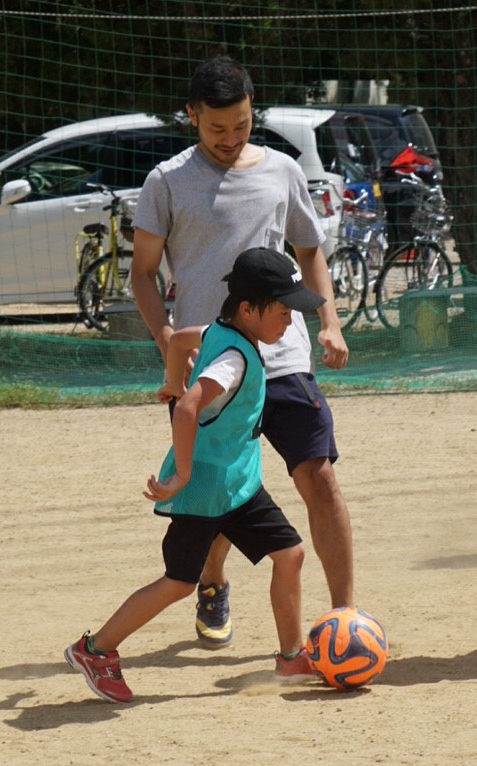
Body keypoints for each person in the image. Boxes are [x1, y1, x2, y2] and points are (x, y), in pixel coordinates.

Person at [131, 55, 353, 651]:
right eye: (216, 128)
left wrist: (329, 321)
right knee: (220, 494)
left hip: (283, 357)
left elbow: (308, 250)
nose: (230, 138)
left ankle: (345, 616)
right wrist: (168, 342)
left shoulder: (283, 170)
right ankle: (212, 582)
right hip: (212, 365)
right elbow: (143, 274)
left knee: (321, 479)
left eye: (242, 125)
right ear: (192, 116)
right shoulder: (167, 181)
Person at [66, 248, 318, 703]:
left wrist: (172, 379)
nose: (290, 321)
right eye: (283, 312)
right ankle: (95, 650)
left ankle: (290, 658)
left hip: (237, 487)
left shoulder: (221, 331)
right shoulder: (234, 360)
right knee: (180, 582)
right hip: (203, 489)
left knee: (290, 554)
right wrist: (182, 473)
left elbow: (181, 339)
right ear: (249, 309)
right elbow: (187, 409)